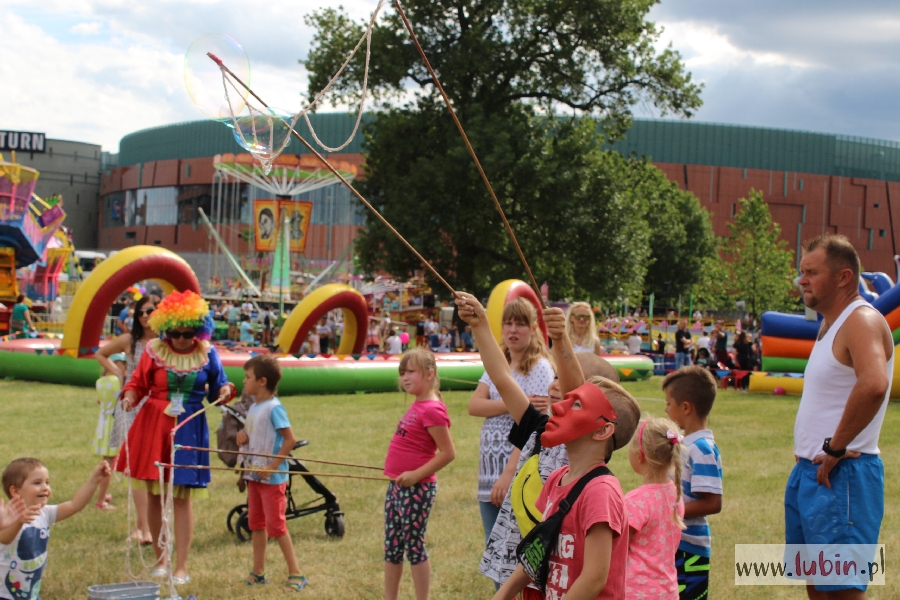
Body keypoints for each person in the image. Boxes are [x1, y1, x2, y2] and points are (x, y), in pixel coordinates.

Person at [456, 292, 640, 600]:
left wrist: (560, 339)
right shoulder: (552, 464)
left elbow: (594, 579)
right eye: (554, 378)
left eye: (574, 402)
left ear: (602, 429)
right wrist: (480, 325)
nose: (558, 397)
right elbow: (502, 378)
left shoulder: (599, 489)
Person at [788, 234, 893, 599]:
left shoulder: (860, 320)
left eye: (812, 272)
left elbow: (874, 384)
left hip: (842, 475)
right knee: (818, 588)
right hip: (815, 473)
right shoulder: (831, 324)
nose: (802, 280)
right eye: (802, 272)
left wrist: (835, 447)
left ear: (844, 277)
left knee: (842, 592)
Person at [116, 290, 236, 584]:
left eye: (188, 333)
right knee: (156, 494)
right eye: (175, 333)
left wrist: (224, 391)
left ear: (199, 329)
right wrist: (130, 396)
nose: (181, 339)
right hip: (155, 425)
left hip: (189, 427)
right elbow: (137, 383)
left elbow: (220, 384)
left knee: (182, 497)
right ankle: (161, 560)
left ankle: (181, 566)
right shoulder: (154, 350)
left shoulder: (207, 352)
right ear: (165, 328)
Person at [468, 299, 554, 548]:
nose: (513, 330)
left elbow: (532, 428)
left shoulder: (539, 368)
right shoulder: (498, 364)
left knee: (513, 543)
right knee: (491, 542)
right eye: (508, 323)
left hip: (515, 468)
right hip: (490, 468)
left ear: (534, 328)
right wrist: (514, 403)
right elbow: (474, 405)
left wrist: (509, 474)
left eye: (520, 324)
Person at [383, 349, 456, 600]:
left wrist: (415, 475)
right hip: (397, 486)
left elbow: (448, 453)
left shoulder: (432, 409)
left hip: (417, 489)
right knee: (392, 547)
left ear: (429, 374)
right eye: (402, 372)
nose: (404, 377)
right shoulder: (418, 404)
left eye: (411, 372)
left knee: (414, 548)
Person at [237, 355, 309, 592]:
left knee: (276, 526)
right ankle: (258, 571)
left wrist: (272, 466)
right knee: (256, 524)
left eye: (248, 377)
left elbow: (290, 439)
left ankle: (296, 573)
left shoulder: (274, 408)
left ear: (262, 381)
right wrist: (242, 436)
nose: (244, 381)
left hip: (272, 479)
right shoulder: (254, 407)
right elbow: (253, 434)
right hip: (254, 477)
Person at [0, 458, 111, 600]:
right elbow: (4, 538)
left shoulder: (44, 513)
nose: (45, 487)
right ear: (15, 491)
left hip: (30, 593)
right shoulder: (7, 517)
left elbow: (74, 505)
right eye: (37, 483)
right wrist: (19, 522)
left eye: (47, 482)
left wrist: (94, 480)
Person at [97, 294, 158, 545]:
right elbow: (101, 354)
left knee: (151, 466)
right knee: (135, 465)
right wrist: (118, 373)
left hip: (155, 404)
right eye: (140, 312)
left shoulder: (165, 341)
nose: (144, 316)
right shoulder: (129, 340)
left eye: (149, 311)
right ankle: (143, 526)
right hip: (130, 402)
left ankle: (144, 525)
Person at [662, 366, 722, 600]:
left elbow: (713, 502)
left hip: (691, 550)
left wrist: (670, 510)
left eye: (669, 404)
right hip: (677, 543)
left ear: (686, 407)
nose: (666, 409)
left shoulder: (701, 449)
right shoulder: (687, 445)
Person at [625, 417, 686, 599]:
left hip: (635, 593)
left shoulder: (635, 501)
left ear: (640, 456)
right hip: (668, 591)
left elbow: (617, 551)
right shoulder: (675, 494)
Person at [93, 352, 129, 511]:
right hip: (115, 424)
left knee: (106, 461)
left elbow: (100, 401)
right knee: (108, 464)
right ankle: (101, 500)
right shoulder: (117, 381)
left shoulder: (101, 381)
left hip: (105, 424)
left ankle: (103, 494)